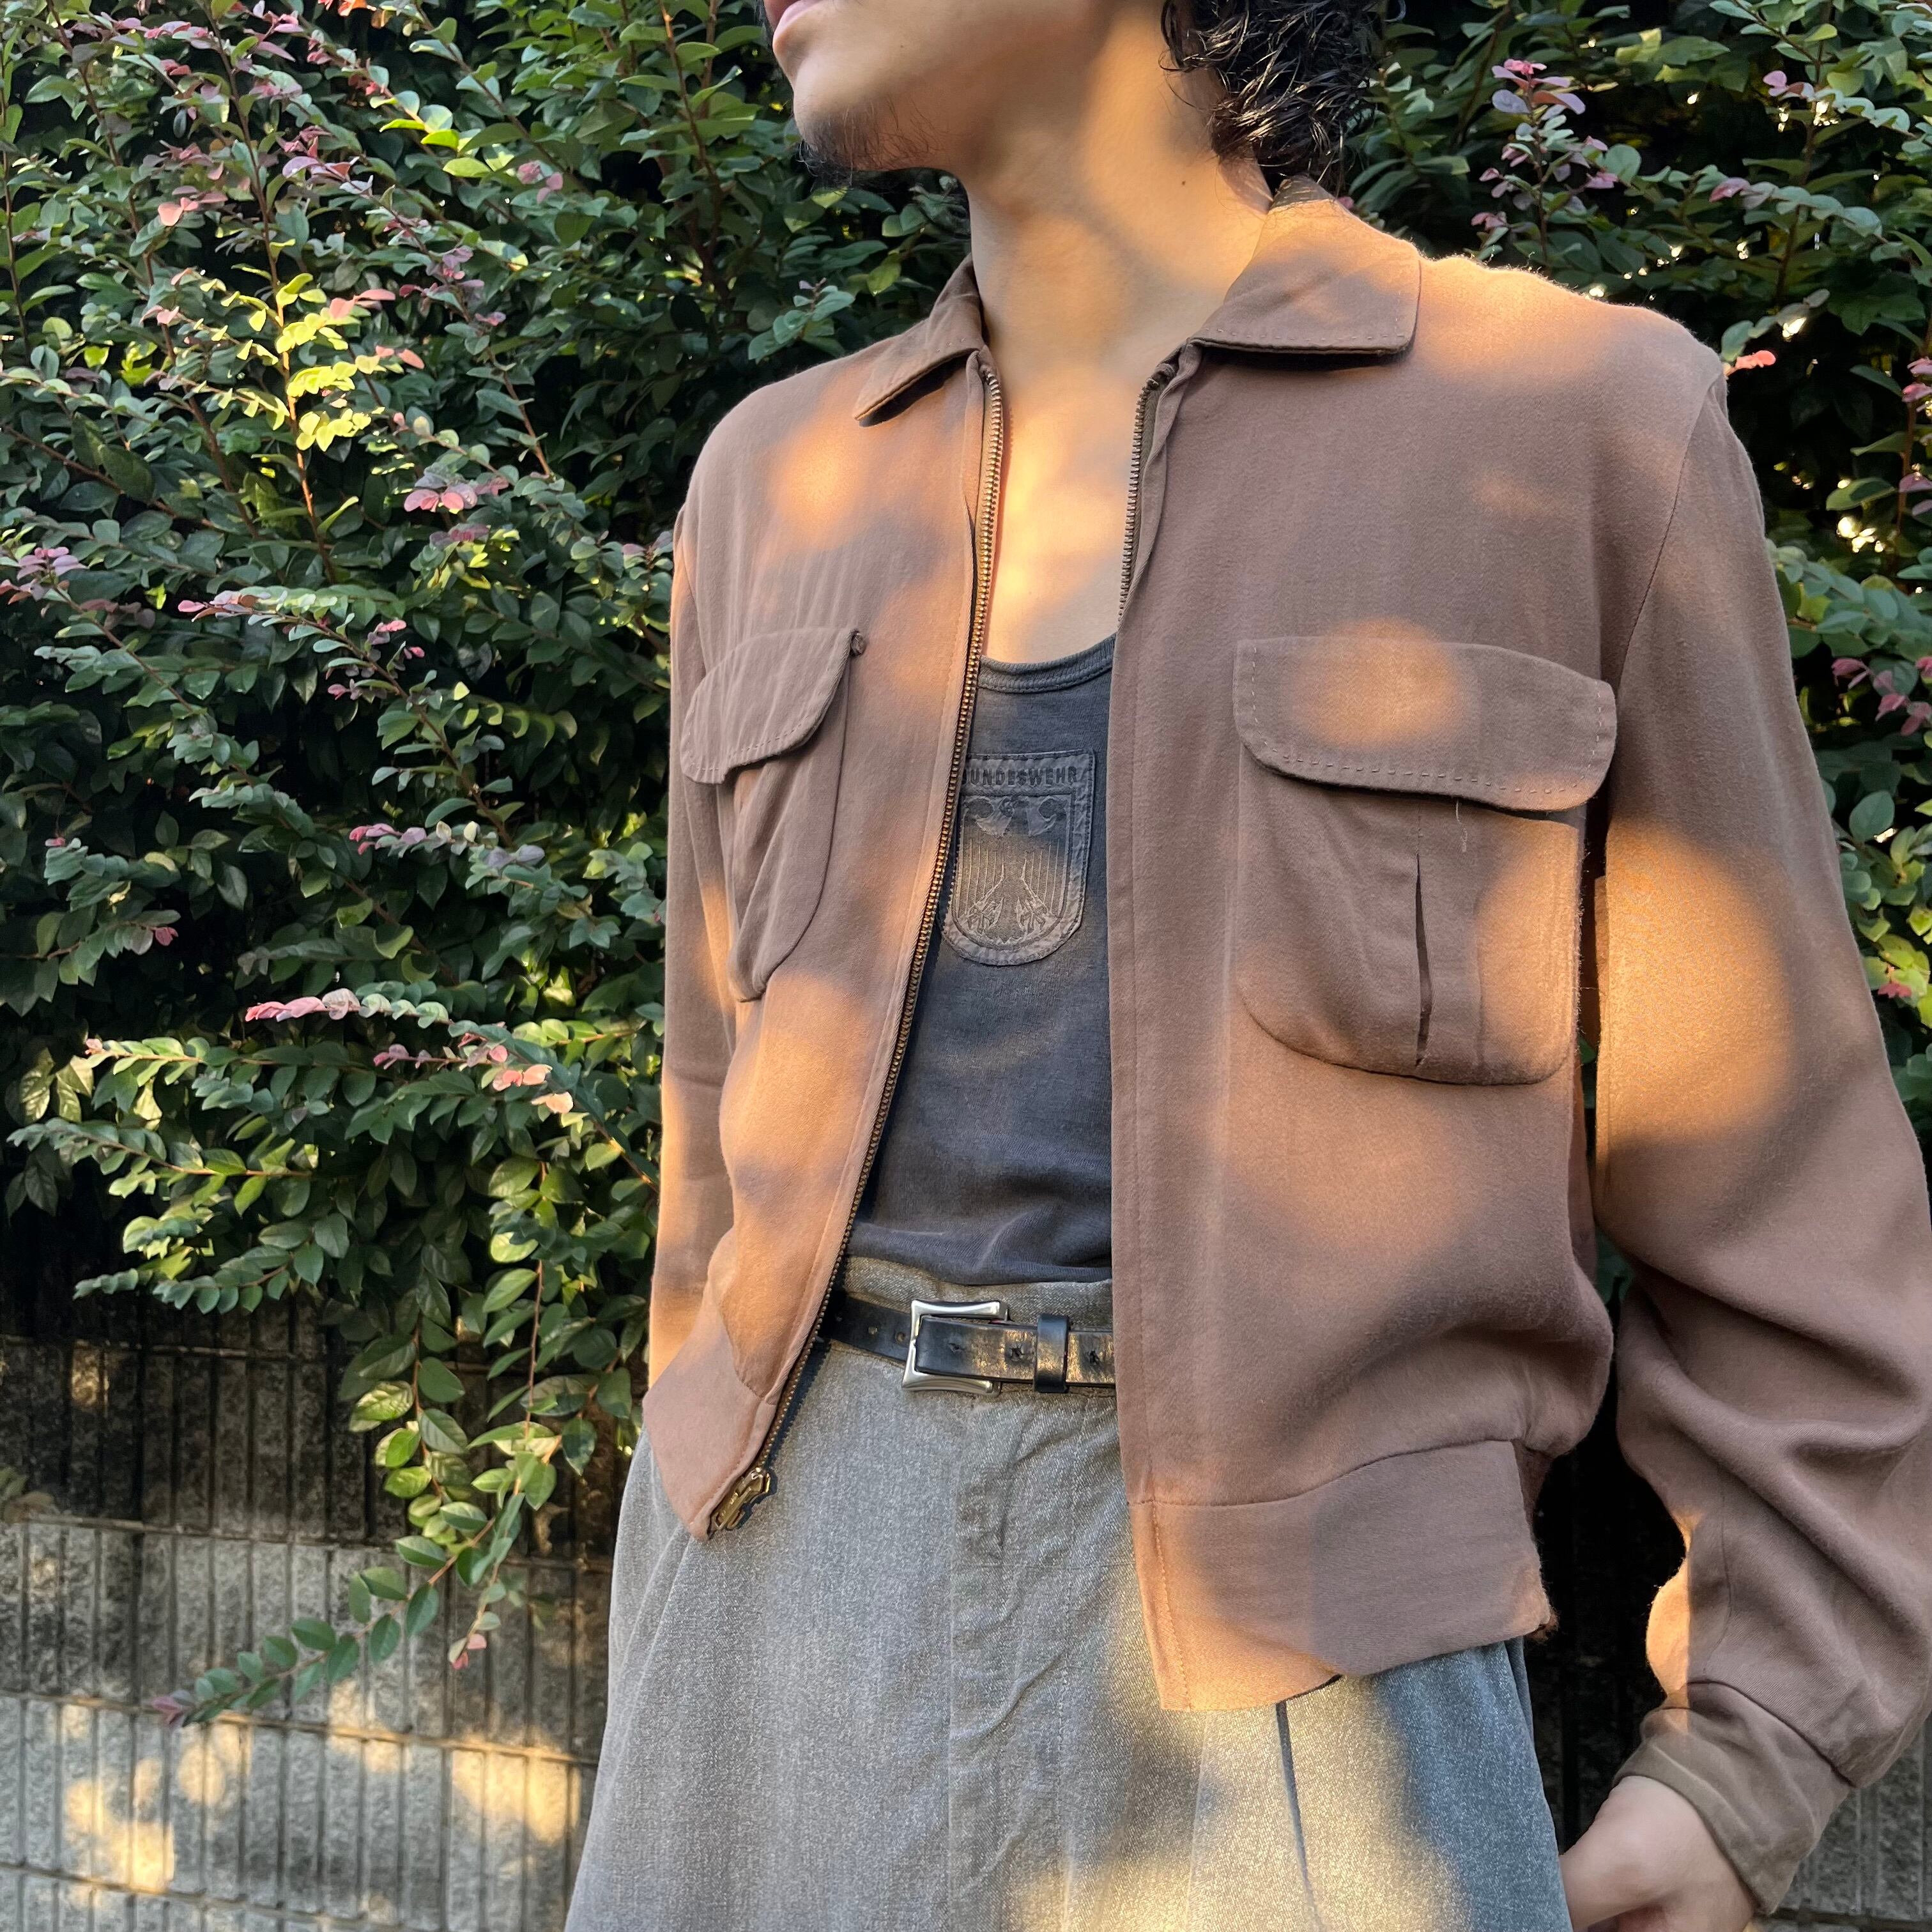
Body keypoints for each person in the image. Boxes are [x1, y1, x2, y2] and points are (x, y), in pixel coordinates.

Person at [562, 1, 1932, 1927]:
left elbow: (1783, 1183)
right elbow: (714, 1144)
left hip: (1311, 1695)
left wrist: (1751, 1756)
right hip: (761, 1615)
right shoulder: (771, 482)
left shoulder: (1578, 429)